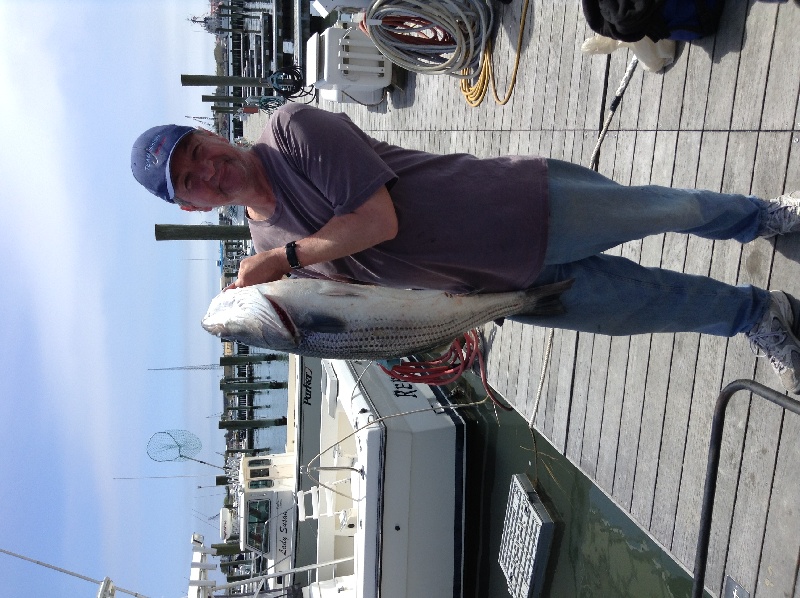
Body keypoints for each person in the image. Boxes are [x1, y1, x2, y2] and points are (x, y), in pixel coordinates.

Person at [132, 103, 800, 392]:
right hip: (491, 293)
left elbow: (376, 221)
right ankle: (758, 315)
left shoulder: (290, 133)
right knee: (644, 306)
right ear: (192, 206)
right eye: (191, 181)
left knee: (666, 208)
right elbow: (344, 316)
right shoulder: (264, 262)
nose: (209, 170)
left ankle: (764, 216)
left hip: (516, 205)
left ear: (207, 133)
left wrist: (286, 262)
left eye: (198, 151)